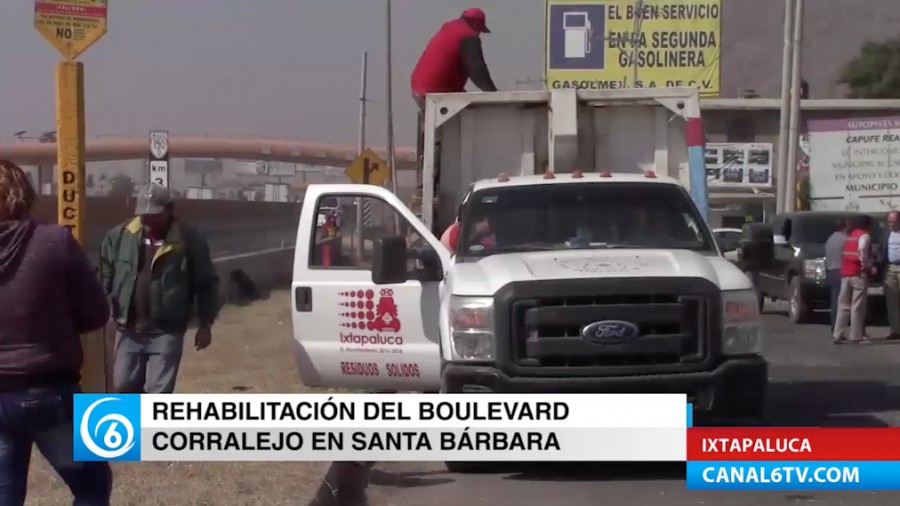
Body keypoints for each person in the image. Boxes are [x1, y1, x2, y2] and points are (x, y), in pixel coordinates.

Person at [0, 160, 112, 505]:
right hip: (50, 391)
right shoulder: (55, 241)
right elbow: (96, 314)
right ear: (23, 195)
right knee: (92, 486)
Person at [100, 183, 220, 394]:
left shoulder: (189, 241)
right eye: (144, 215)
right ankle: (132, 427)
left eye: (155, 215)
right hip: (127, 329)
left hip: (166, 332)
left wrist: (205, 325)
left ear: (170, 209)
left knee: (159, 392)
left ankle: (152, 427)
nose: (149, 222)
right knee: (123, 385)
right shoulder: (119, 237)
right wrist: (104, 310)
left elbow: (206, 283)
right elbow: (106, 275)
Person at [410, 8, 498, 201]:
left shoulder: (449, 29)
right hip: (434, 93)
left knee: (430, 139)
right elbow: (477, 70)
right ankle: (428, 188)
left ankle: (425, 185)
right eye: (480, 30)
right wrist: (495, 96)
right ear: (475, 25)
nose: (479, 34)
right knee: (440, 141)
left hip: (423, 87)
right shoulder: (467, 36)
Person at [833, 215, 874, 345]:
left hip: (846, 274)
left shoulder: (850, 236)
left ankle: (837, 334)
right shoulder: (864, 236)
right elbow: (862, 250)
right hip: (858, 274)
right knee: (857, 306)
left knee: (843, 305)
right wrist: (866, 265)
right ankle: (856, 336)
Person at [824, 218, 849, 332]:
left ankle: (833, 326)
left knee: (834, 301)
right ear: (844, 227)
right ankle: (839, 328)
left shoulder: (830, 239)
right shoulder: (846, 239)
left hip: (831, 271)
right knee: (843, 303)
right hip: (842, 271)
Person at [882, 210, 900, 340]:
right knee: (892, 300)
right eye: (889, 221)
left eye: (893, 221)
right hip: (890, 269)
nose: (890, 224)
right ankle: (895, 330)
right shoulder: (886, 234)